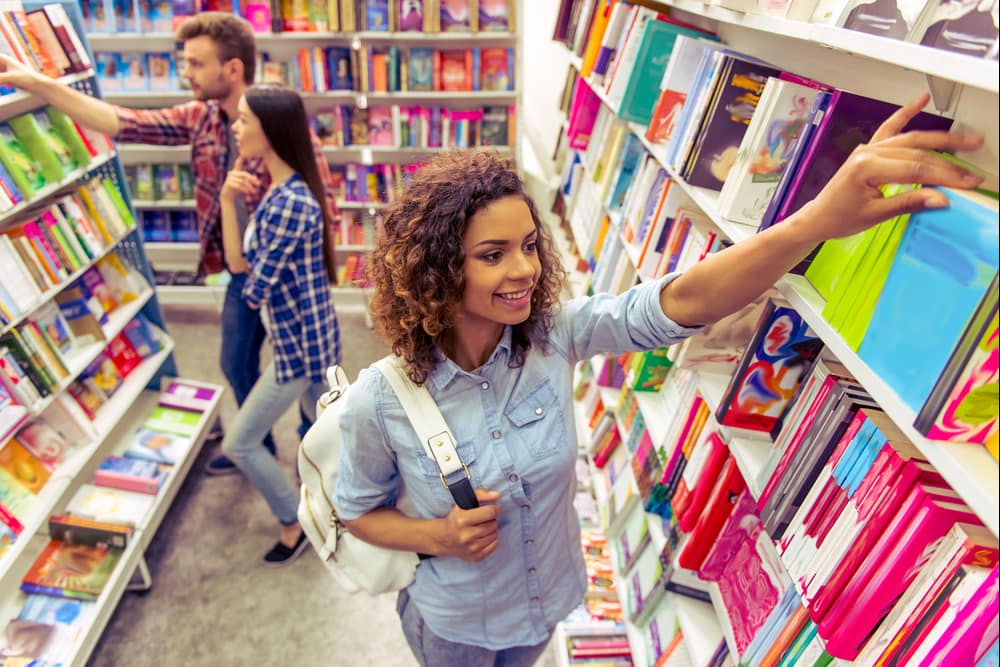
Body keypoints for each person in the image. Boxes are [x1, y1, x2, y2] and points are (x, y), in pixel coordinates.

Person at [331, 93, 984, 666]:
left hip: (547, 603)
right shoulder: (382, 400)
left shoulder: (553, 334)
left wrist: (816, 221)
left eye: (530, 245)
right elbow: (356, 510)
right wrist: (437, 535)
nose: (524, 269)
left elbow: (680, 304)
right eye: (492, 255)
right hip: (455, 627)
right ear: (438, 269)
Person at [0, 13, 338, 476]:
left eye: (197, 64)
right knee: (236, 362)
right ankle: (257, 446)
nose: (187, 74)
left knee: (306, 371)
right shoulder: (198, 116)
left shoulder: (280, 128)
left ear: (233, 69)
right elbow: (122, 122)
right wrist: (39, 84)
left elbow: (323, 212)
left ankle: (309, 448)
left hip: (282, 281)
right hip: (236, 270)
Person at [219, 83, 340, 565]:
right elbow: (238, 264)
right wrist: (230, 201)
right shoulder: (278, 188)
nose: (236, 126)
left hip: (300, 349)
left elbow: (249, 285)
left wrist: (235, 210)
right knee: (326, 433)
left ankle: (294, 521)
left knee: (241, 441)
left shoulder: (290, 202)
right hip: (308, 340)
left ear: (271, 130)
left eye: (245, 119)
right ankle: (342, 508)